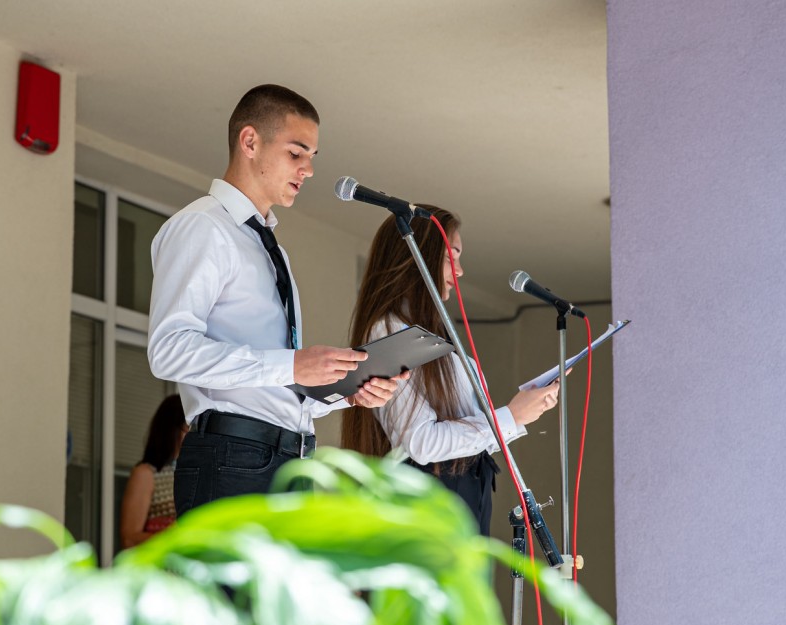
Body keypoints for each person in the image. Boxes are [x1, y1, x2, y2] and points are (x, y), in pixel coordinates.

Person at [148, 84, 405, 518]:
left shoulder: (268, 247)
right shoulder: (202, 227)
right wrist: (292, 365)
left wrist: (347, 390)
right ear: (250, 142)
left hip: (287, 460)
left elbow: (271, 386)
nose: (308, 170)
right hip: (233, 459)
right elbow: (168, 351)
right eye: (296, 153)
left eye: (312, 157)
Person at [341, 206, 561, 535]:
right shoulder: (390, 329)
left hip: (456, 500)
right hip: (426, 509)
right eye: (450, 256)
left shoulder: (432, 335)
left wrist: (519, 413)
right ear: (416, 256)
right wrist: (511, 417)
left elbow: (463, 438)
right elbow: (422, 443)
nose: (459, 271)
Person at [119, 394, 188, 549]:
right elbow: (129, 539)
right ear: (171, 428)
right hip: (160, 563)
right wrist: (175, 537)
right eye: (188, 427)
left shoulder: (194, 473)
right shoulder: (146, 473)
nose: (193, 435)